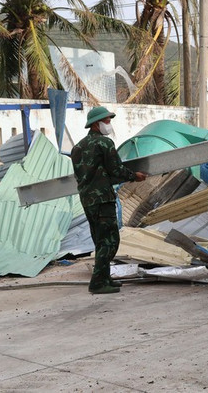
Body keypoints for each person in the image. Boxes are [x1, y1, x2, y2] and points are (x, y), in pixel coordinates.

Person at [71, 106, 146, 294]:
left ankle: (105, 278)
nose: (109, 124)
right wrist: (134, 176)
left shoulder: (77, 147)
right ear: (97, 123)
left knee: (99, 239)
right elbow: (116, 170)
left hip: (87, 200)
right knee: (110, 240)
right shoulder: (105, 143)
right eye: (107, 121)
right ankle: (97, 282)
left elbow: (87, 174)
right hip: (103, 199)